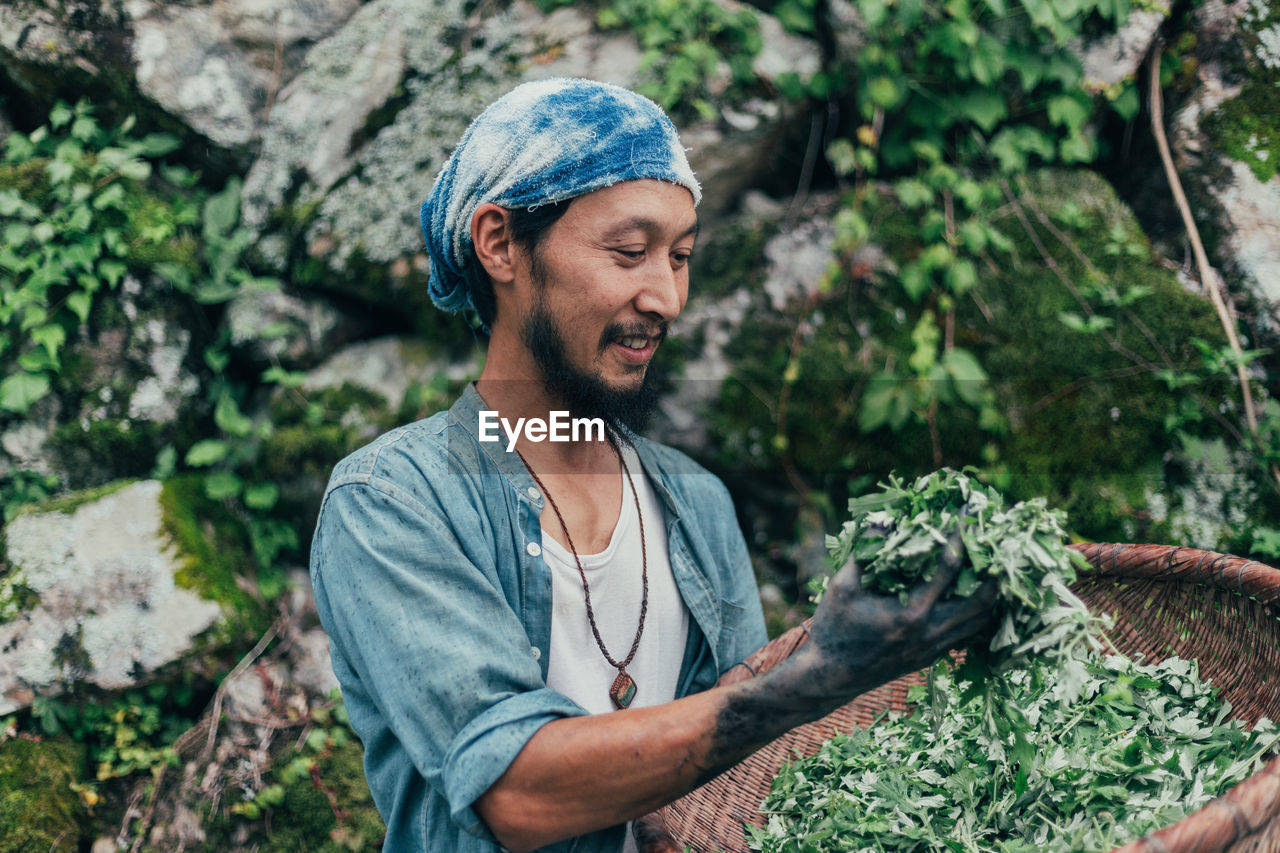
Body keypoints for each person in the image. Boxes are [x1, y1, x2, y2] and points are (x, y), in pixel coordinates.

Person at [309, 77, 995, 853]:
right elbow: (516, 791)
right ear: (499, 243)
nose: (667, 296)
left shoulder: (695, 502)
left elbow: (749, 788)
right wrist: (803, 683)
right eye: (630, 252)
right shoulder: (394, 500)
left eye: (681, 257)